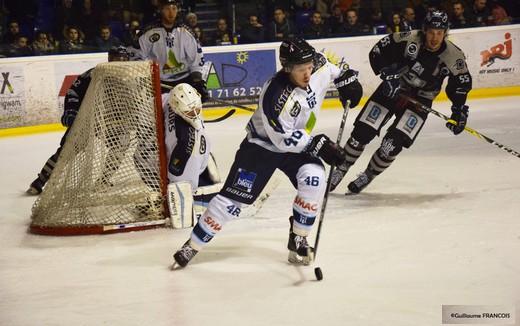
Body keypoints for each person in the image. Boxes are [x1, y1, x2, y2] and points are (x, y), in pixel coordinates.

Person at [172, 37, 363, 268]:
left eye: (310, 68)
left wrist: (347, 80)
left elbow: (336, 69)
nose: (308, 75)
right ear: (288, 68)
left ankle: (299, 237)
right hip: (261, 147)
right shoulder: (275, 95)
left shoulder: (317, 64)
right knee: (232, 203)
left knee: (315, 179)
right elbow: (281, 139)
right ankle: (192, 245)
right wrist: (319, 144)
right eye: (302, 70)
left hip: (297, 146)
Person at [329, 10, 472, 194]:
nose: (435, 38)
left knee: (391, 146)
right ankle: (341, 168)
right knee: (362, 133)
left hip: (421, 100)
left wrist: (459, 111)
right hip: (392, 89)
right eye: (431, 32)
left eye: (439, 32)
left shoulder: (454, 56)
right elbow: (377, 51)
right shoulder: (408, 39)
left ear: (445, 32)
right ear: (424, 30)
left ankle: (369, 174)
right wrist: (387, 75)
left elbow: (461, 83)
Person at [27, 47, 131, 195]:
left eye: (123, 59)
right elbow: (73, 92)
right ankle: (40, 181)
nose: (120, 62)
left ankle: (103, 180)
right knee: (66, 151)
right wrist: (71, 111)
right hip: (86, 119)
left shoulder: (130, 77)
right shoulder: (94, 74)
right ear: (110, 58)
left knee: (121, 144)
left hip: (110, 123)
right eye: (117, 58)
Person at [136, 0, 207, 100]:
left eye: (174, 8)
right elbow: (138, 58)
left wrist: (198, 81)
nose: (171, 12)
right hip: (159, 82)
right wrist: (145, 79)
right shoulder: (147, 32)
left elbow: (196, 60)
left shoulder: (186, 32)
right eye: (167, 9)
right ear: (161, 10)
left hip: (184, 81)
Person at [163, 83, 219, 190]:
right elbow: (180, 183)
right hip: (177, 169)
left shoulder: (169, 100)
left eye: (197, 109)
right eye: (190, 113)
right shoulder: (187, 144)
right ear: (176, 109)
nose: (195, 114)